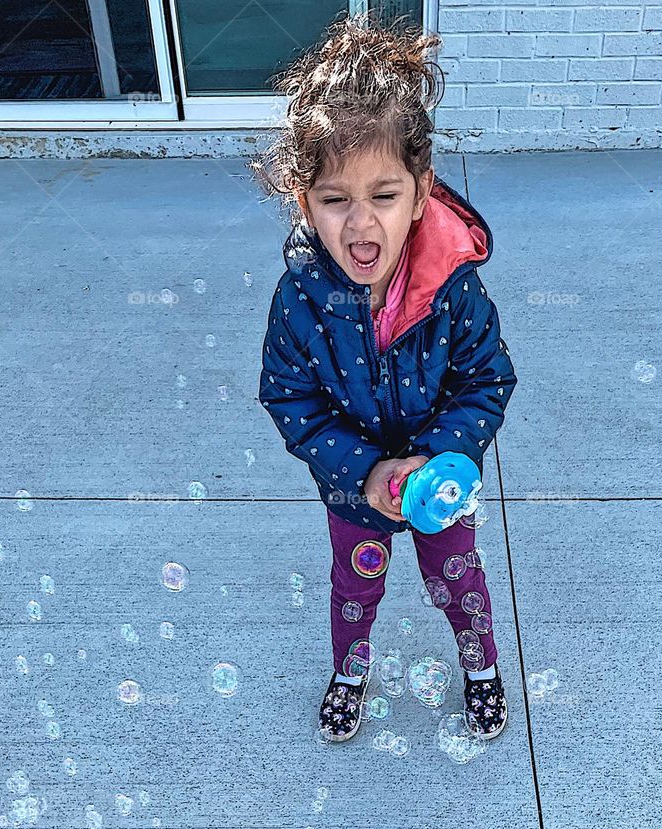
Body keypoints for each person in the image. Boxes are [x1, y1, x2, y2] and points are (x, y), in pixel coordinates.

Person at [251, 12, 518, 744]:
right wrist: (365, 471)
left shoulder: (451, 287)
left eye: (384, 194)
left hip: (442, 484)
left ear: (423, 188)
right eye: (335, 199)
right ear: (303, 200)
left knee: (459, 583)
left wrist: (437, 457)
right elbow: (289, 396)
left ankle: (482, 667)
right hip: (351, 490)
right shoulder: (301, 298)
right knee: (354, 588)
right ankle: (350, 670)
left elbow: (487, 379)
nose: (360, 223)